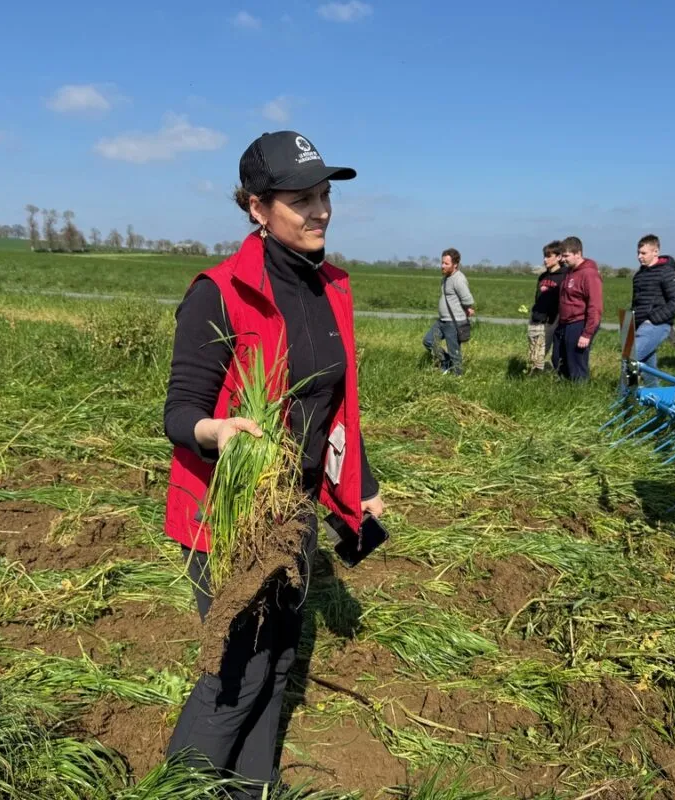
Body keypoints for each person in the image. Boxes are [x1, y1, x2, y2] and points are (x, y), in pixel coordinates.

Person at [161, 130, 384, 799]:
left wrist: (362, 491)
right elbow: (178, 414)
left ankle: (250, 788)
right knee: (238, 672)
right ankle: (182, 790)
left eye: (323, 196)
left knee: (280, 658)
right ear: (257, 208)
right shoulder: (219, 292)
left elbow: (336, 404)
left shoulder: (329, 288)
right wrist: (217, 431)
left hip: (295, 511)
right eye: (300, 199)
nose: (319, 210)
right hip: (229, 516)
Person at [631, 234, 675, 384]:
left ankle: (625, 398)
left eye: (643, 253)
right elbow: (636, 302)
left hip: (657, 325)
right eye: (638, 253)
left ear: (656, 252)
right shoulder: (639, 275)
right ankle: (654, 399)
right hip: (640, 325)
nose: (639, 257)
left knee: (630, 357)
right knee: (648, 368)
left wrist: (653, 319)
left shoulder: (666, 272)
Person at [552, 236, 603, 381]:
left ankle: (579, 395)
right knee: (558, 359)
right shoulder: (569, 272)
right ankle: (563, 390)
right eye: (562, 255)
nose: (563, 259)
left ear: (578, 254)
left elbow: (595, 305)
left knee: (576, 363)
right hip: (564, 323)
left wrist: (587, 333)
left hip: (579, 322)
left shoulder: (589, 274)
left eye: (566, 255)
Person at [422, 247, 475, 376]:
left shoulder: (458, 279)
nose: (442, 266)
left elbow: (467, 298)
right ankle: (445, 362)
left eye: (446, 263)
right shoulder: (445, 278)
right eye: (442, 262)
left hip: (454, 322)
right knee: (428, 341)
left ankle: (458, 378)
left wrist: (467, 308)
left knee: (454, 353)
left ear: (455, 265)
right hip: (442, 321)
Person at [526, 240, 567, 373]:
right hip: (541, 319)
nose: (545, 260)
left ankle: (559, 377)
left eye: (549, 256)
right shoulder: (543, 276)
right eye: (544, 256)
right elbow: (537, 297)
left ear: (559, 257)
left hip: (557, 318)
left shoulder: (565, 275)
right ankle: (534, 377)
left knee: (558, 354)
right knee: (536, 354)